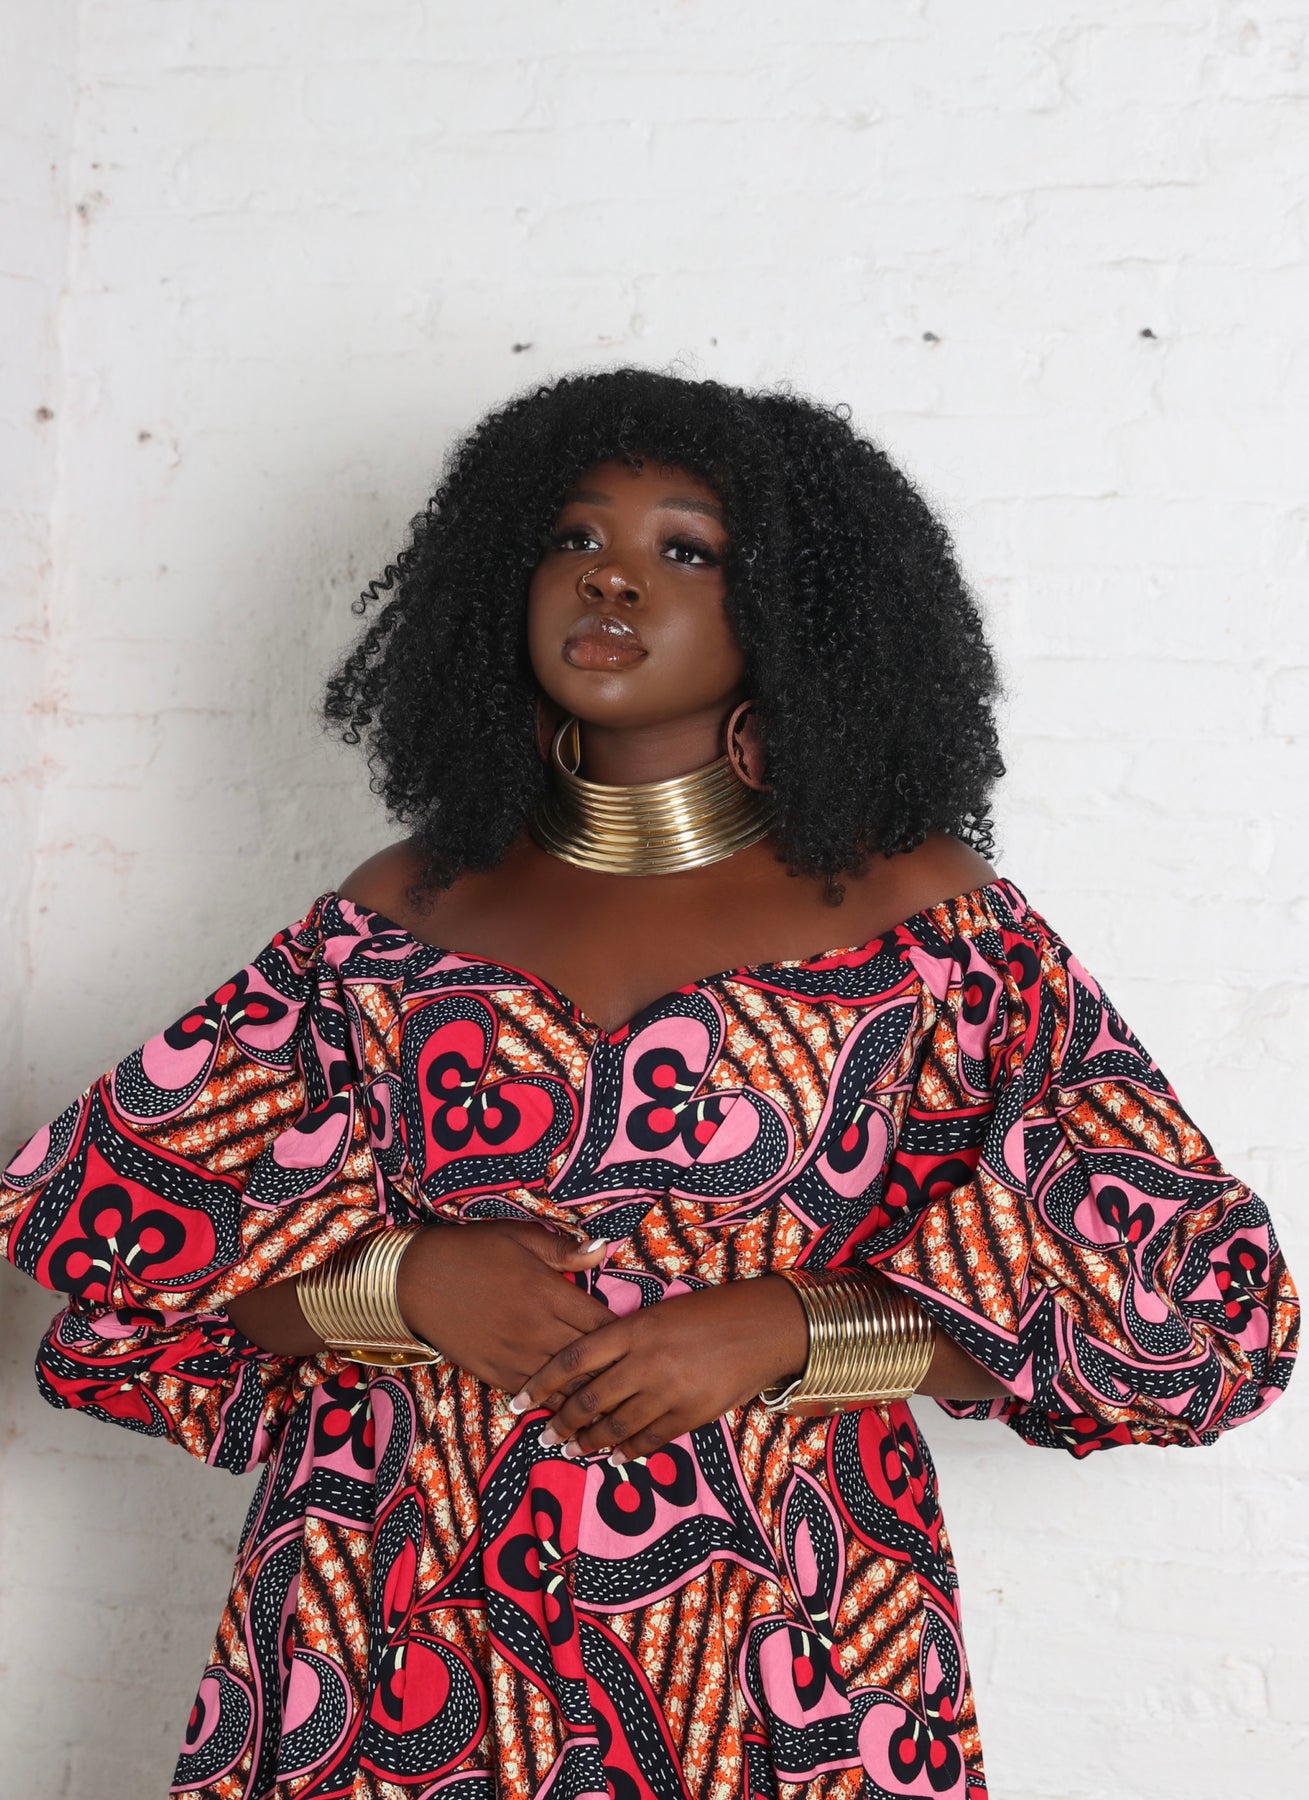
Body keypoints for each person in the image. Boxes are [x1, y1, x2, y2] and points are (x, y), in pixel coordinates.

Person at [0, 367, 1297, 1800]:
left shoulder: (925, 927)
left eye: (686, 550)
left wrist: (786, 1329)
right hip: (384, 1618)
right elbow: (129, 1274)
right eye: (575, 537)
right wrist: (403, 1285)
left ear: (795, 606)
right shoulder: (394, 919)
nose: (613, 579)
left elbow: (1188, 1306)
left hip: (785, 1633)